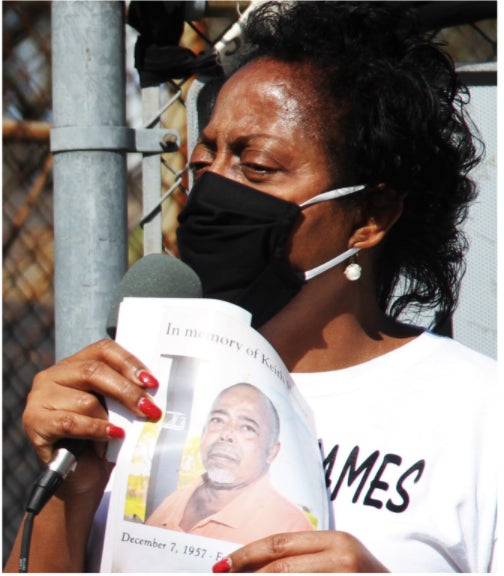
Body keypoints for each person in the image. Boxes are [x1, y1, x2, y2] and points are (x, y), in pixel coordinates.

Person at [4, 1, 497, 573]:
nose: (213, 191)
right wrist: (71, 488)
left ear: (370, 215)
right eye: (204, 160)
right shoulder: (139, 391)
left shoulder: (479, 416)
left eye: (257, 166)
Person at [145, 383, 313, 542]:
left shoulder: (290, 528)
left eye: (247, 427)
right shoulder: (176, 499)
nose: (226, 434)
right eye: (218, 420)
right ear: (203, 433)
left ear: (271, 452)